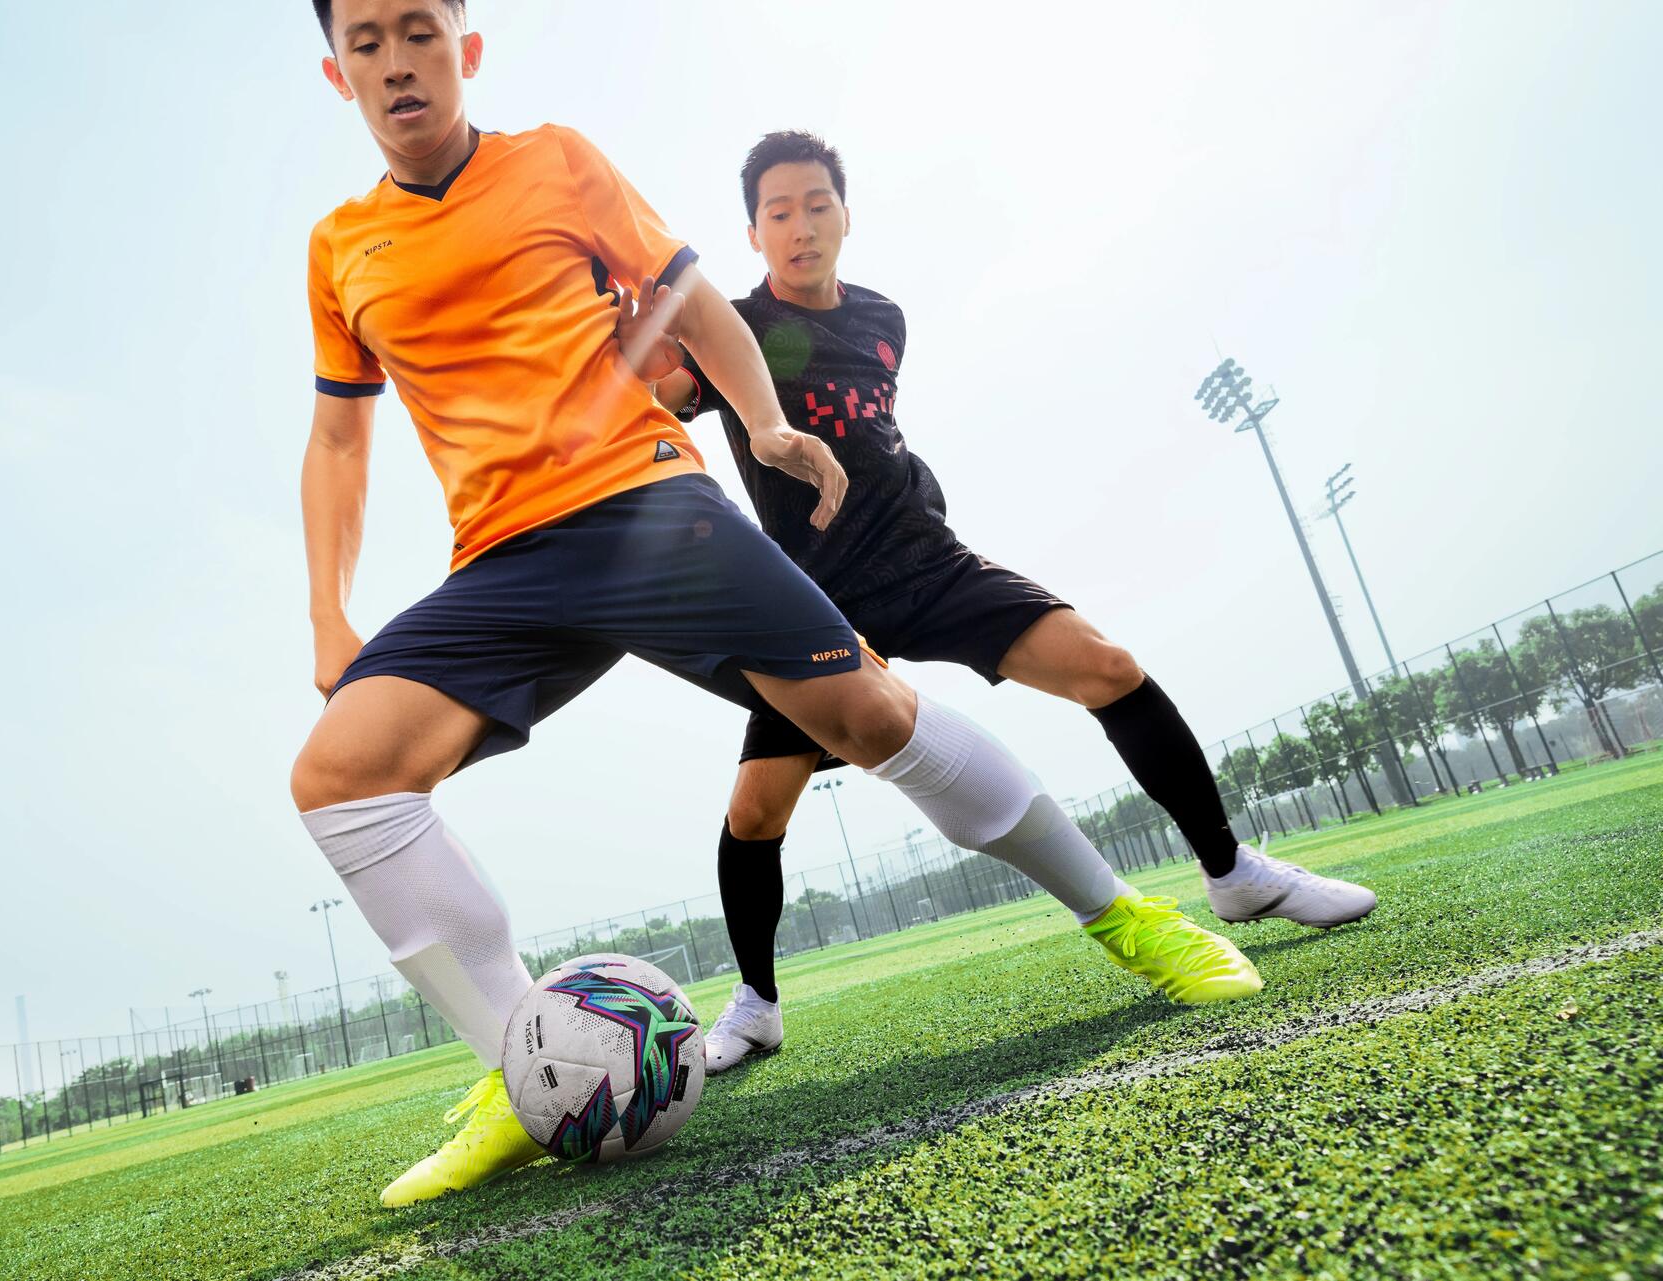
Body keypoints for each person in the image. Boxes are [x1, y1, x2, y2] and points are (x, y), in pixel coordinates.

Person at [292, 1, 1261, 1206]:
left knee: (870, 716)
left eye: (419, 31)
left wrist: (762, 421)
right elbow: (340, 436)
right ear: (337, 74)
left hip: (644, 508)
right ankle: (518, 1070)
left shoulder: (560, 161)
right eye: (368, 43)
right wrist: (331, 613)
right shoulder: (342, 247)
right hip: (504, 559)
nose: (398, 64)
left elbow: (693, 303)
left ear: (464, 47)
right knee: (337, 776)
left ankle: (1127, 921)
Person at [616, 130, 1376, 1074]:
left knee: (1110, 667)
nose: (801, 225)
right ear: (754, 231)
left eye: (818, 204)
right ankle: (758, 1004)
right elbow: (679, 385)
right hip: (813, 603)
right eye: (780, 212)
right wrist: (642, 347)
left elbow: (878, 432)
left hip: (924, 562)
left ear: (846, 214)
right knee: (755, 814)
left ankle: (1232, 873)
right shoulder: (735, 323)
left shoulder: (887, 317)